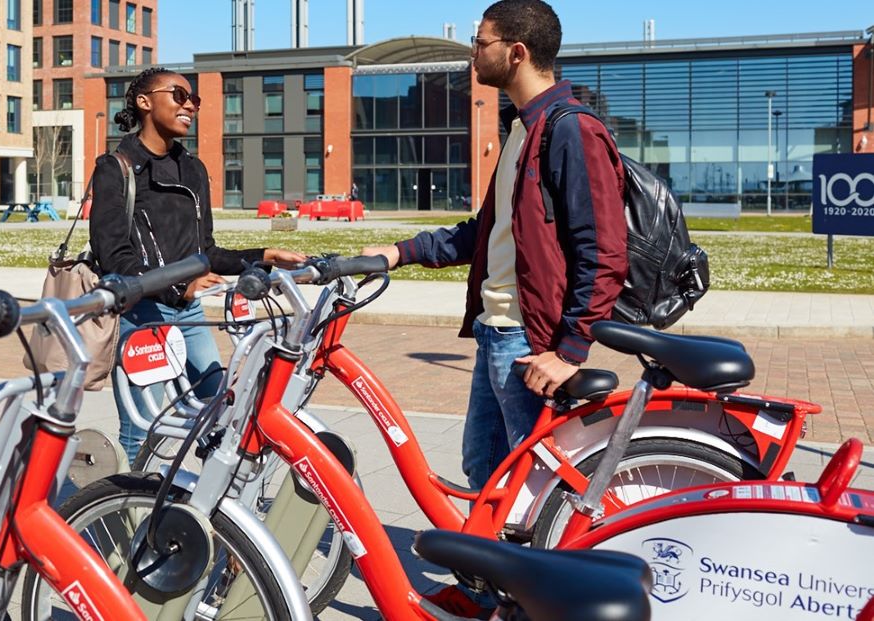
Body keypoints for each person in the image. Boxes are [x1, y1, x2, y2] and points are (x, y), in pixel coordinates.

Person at [362, 1, 627, 616]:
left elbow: (604, 250)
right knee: (485, 468)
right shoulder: (523, 130)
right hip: (495, 332)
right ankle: (489, 587)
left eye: (477, 43)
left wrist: (569, 350)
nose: (469, 55)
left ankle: (549, 593)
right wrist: (401, 251)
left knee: (537, 490)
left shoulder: (570, 129)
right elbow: (488, 233)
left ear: (516, 52)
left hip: (529, 343)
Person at [90, 67, 305, 461]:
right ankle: (126, 513)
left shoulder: (193, 169)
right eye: (178, 95)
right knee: (143, 429)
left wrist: (265, 257)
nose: (189, 105)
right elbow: (114, 257)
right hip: (141, 316)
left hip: (188, 315)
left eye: (194, 99)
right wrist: (179, 286)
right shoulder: (115, 168)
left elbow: (207, 252)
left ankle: (210, 506)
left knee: (221, 411)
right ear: (144, 101)